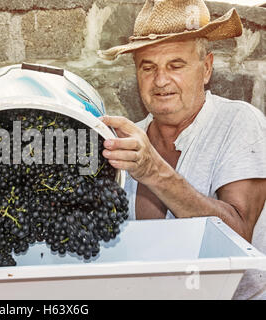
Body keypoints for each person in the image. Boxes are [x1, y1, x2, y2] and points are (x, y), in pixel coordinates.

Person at [98, 0, 266, 243]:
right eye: (148, 68)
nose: (160, 80)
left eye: (175, 66)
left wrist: (153, 171)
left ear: (206, 68)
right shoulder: (126, 142)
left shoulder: (239, 122)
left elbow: (237, 235)